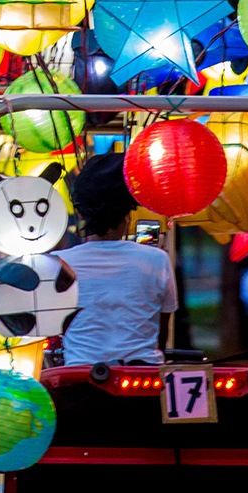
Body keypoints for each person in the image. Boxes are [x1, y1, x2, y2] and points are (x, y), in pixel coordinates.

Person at [56, 153, 178, 366]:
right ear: (127, 216)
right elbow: (161, 333)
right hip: (143, 375)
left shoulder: (58, 264)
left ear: (82, 215)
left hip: (79, 377)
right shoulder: (157, 259)